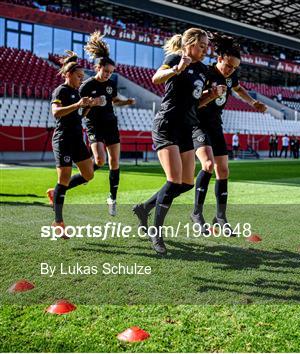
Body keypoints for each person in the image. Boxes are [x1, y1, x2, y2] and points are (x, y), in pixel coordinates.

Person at [132, 28, 209, 255]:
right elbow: (156, 78)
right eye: (201, 46)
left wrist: (212, 95)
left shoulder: (203, 69)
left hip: (186, 128)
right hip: (167, 125)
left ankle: (144, 208)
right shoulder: (176, 58)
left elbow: (196, 101)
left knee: (186, 183)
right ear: (190, 44)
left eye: (206, 46)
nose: (205, 50)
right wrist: (178, 68)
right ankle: (156, 233)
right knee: (174, 180)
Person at [190, 32, 266, 232]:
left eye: (235, 68)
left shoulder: (231, 76)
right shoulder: (205, 73)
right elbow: (193, 103)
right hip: (198, 125)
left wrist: (253, 102)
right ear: (219, 58)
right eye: (229, 65)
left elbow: (239, 89)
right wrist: (212, 94)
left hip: (216, 126)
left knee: (223, 171)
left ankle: (220, 217)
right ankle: (196, 213)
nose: (231, 70)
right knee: (207, 165)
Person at [80, 31, 136, 216]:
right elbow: (82, 112)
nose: (108, 75)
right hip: (94, 124)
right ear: (97, 67)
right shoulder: (86, 86)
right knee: (100, 160)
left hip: (110, 123)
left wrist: (126, 102)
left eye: (111, 73)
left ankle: (112, 198)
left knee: (114, 162)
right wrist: (91, 103)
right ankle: (85, 170)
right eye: (105, 71)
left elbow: (112, 101)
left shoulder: (111, 84)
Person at [46, 50, 99, 231]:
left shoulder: (76, 93)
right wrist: (77, 104)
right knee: (64, 179)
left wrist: (88, 107)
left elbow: (78, 115)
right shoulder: (60, 90)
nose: (81, 80)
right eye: (78, 76)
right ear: (68, 75)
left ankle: (56, 193)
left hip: (76, 139)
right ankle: (58, 221)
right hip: (63, 139)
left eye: (82, 77)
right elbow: (56, 113)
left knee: (89, 174)